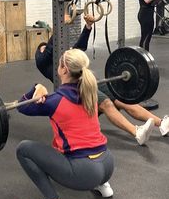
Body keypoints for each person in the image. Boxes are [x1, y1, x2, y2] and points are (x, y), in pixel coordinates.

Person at [35, 15, 169, 146]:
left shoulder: (65, 56)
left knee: (121, 99)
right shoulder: (42, 61)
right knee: (106, 104)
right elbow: (47, 53)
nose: (46, 48)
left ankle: (162, 123)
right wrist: (60, 27)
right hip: (76, 90)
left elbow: (80, 47)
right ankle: (137, 132)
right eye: (43, 48)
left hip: (90, 81)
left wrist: (88, 26)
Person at [16, 49, 114, 199]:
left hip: (86, 172)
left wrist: (36, 87)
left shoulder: (55, 101)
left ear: (64, 70)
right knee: (62, 144)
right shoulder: (90, 93)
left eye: (59, 64)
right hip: (108, 164)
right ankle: (103, 186)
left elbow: (22, 106)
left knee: (24, 149)